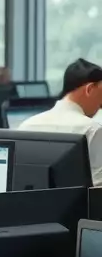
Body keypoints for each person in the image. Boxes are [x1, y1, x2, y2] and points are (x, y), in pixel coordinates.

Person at [18, 58, 102, 186]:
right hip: (79, 205)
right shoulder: (92, 130)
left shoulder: (26, 126)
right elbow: (98, 188)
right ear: (89, 89)